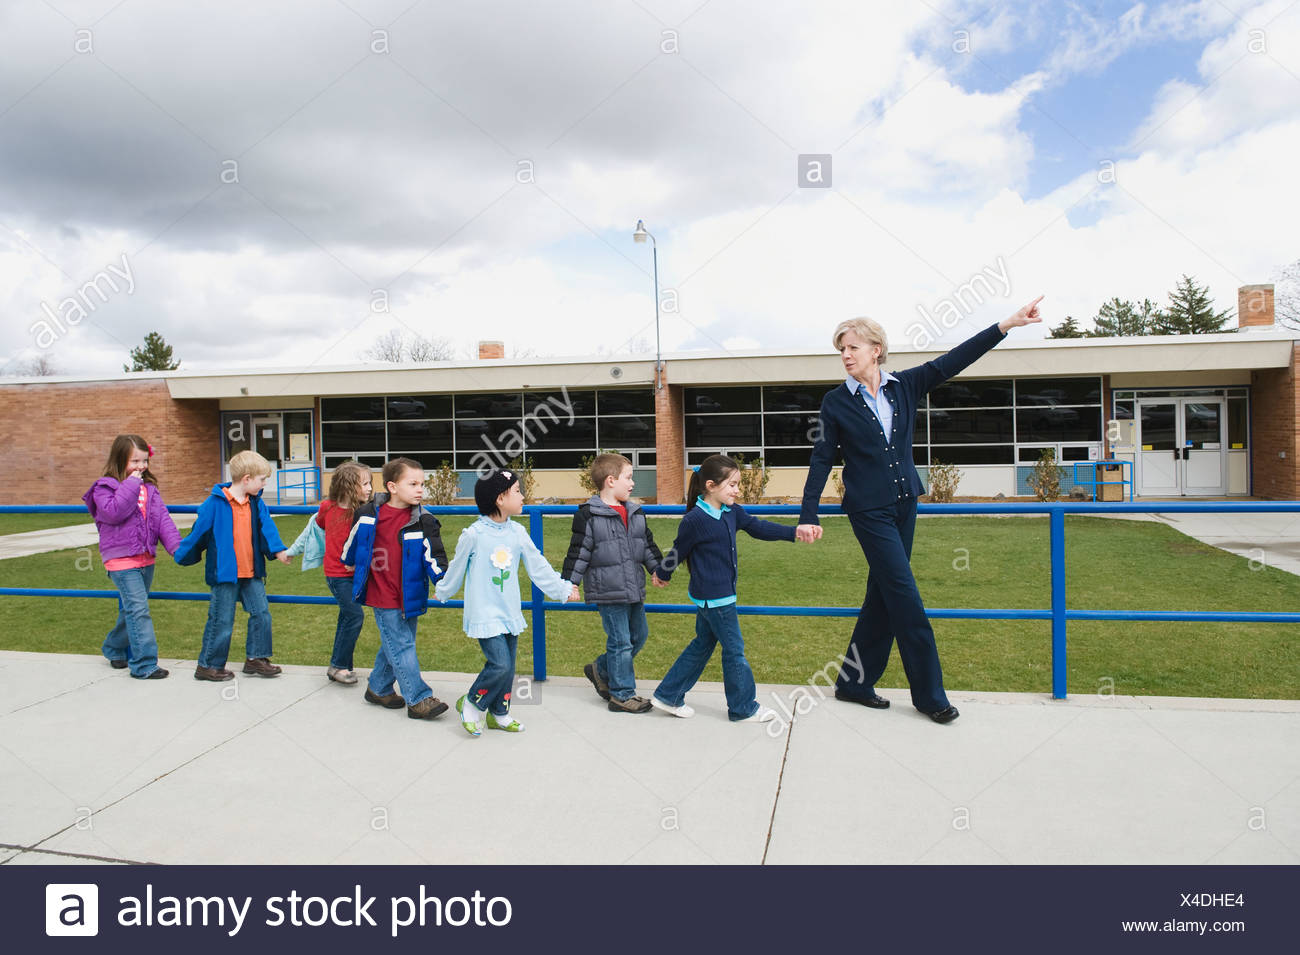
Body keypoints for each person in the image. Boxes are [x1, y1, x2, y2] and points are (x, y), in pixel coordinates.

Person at [796, 298, 1044, 724]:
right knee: (907, 599)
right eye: (841, 349)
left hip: (905, 502)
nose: (845, 355)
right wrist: (808, 512)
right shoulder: (836, 402)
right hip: (869, 512)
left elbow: (954, 361)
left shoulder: (904, 385)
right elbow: (822, 458)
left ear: (876, 349)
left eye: (852, 347)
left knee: (884, 596)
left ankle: (853, 683)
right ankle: (930, 696)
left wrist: (1005, 325)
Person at [651, 454, 808, 723]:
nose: (737, 490)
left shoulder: (731, 511)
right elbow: (679, 550)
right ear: (710, 485)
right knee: (735, 650)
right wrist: (662, 573)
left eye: (738, 484)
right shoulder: (695, 519)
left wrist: (793, 533)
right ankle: (742, 707)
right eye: (732, 485)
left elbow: (758, 527)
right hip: (715, 597)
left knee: (702, 644)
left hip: (719, 595)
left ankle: (668, 694)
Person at [435, 468, 578, 736]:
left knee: (509, 668)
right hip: (484, 612)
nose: (523, 496)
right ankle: (471, 703)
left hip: (508, 610)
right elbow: (455, 568)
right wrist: (443, 590)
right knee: (499, 665)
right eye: (517, 491)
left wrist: (562, 589)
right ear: (500, 499)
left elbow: (539, 567)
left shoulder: (517, 533)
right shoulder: (474, 534)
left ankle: (499, 713)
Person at [342, 457, 449, 720]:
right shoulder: (367, 514)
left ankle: (378, 688)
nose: (419, 489)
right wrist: (348, 561)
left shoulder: (424, 520)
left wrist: (442, 582)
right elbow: (353, 542)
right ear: (392, 486)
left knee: (397, 643)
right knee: (401, 645)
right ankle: (419, 699)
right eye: (412, 483)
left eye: (422, 484)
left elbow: (434, 555)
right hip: (381, 593)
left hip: (410, 594)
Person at [562, 453, 666, 714]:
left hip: (633, 588)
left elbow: (647, 546)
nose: (633, 483)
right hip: (607, 590)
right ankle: (622, 695)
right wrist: (570, 583)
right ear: (610, 480)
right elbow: (578, 552)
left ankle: (601, 668)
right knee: (621, 642)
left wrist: (658, 570)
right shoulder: (589, 515)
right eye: (628, 478)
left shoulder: (635, 512)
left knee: (638, 636)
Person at [175, 450, 292, 681]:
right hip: (224, 574)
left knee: (262, 614)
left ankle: (256, 659)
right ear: (247, 479)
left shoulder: (256, 504)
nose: (265, 484)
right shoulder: (214, 505)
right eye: (262, 480)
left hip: (252, 573)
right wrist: (182, 554)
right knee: (222, 620)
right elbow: (199, 533)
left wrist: (279, 551)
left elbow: (266, 528)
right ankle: (208, 665)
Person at [83, 434, 181, 680]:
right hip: (120, 561)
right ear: (119, 460)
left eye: (144, 461)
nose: (141, 467)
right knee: (139, 609)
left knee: (131, 610)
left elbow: (163, 521)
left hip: (145, 559)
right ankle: (144, 665)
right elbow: (114, 512)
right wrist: (131, 484)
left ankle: (114, 647)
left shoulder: (150, 490)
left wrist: (178, 549)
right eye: (134, 461)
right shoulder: (103, 488)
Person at [286, 461, 372, 685]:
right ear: (347, 487)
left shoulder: (363, 512)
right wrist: (294, 551)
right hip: (336, 576)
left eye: (369, 482)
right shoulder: (328, 509)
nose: (370, 488)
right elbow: (313, 529)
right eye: (364, 484)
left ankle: (340, 665)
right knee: (354, 615)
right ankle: (340, 665)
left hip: (355, 575)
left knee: (347, 617)